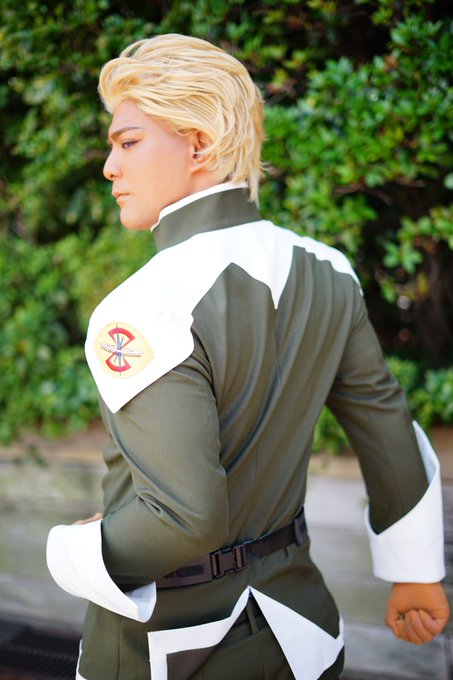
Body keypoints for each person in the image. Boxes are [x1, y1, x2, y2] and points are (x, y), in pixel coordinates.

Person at [46, 34, 450, 680]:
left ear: (199, 145)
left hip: (165, 653)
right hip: (305, 637)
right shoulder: (329, 271)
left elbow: (181, 521)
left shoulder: (143, 304)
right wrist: (415, 575)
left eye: (127, 142)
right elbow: (387, 430)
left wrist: (68, 552)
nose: (109, 167)